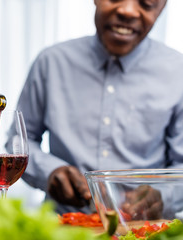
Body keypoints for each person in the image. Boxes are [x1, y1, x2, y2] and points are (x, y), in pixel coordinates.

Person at [17, 0, 183, 216]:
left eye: (147, 3)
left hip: (144, 230)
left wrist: (163, 194)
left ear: (162, 9)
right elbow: (18, 142)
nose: (127, 10)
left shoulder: (179, 73)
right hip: (61, 226)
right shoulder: (50, 62)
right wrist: (49, 171)